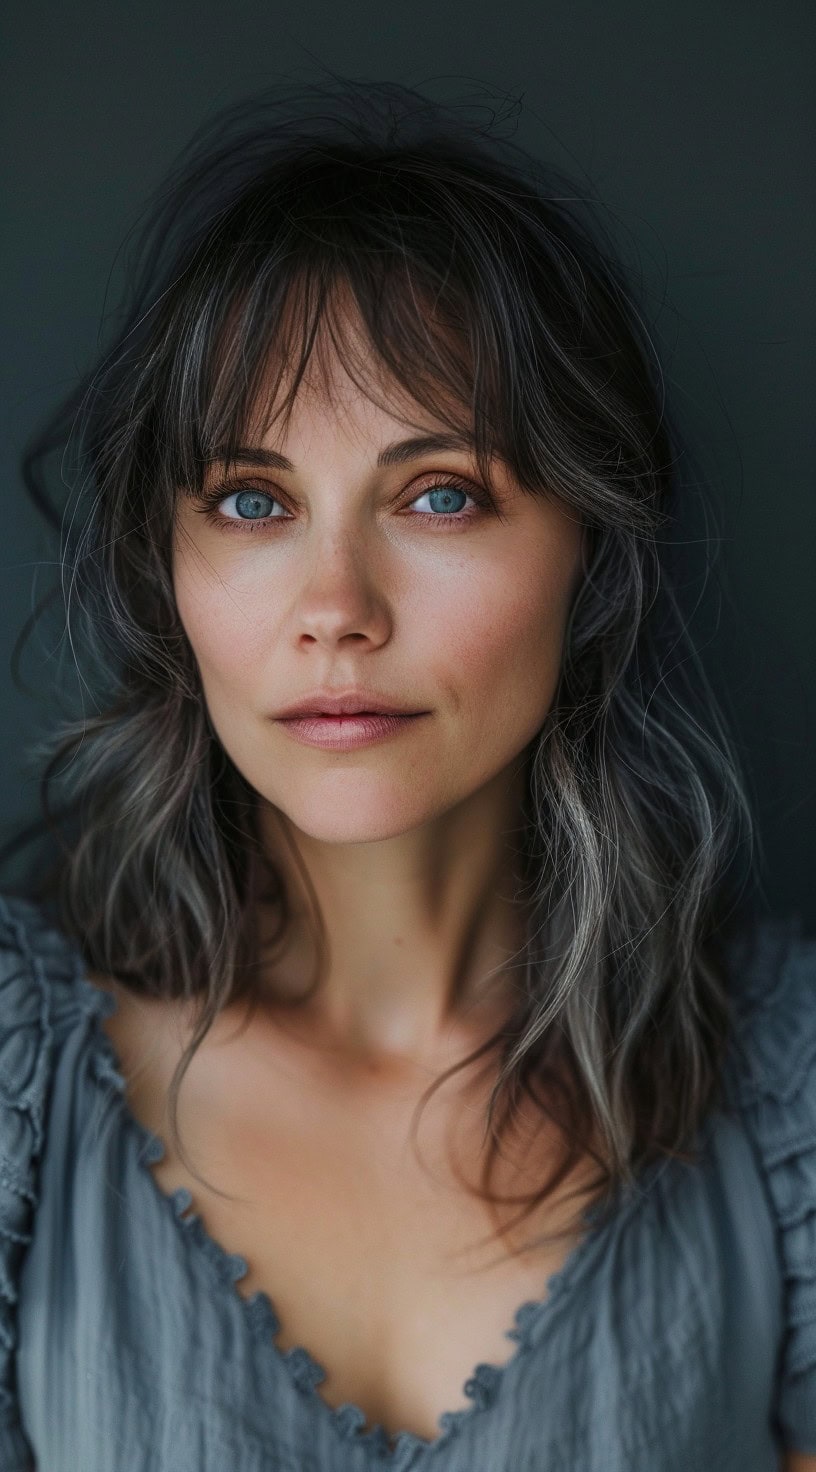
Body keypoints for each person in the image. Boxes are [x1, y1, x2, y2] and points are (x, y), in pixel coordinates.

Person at [0, 76, 814, 1472]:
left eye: (441, 493)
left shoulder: (789, 1091)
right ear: (173, 570)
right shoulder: (20, 1082)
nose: (336, 605)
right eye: (253, 502)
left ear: (592, 549)